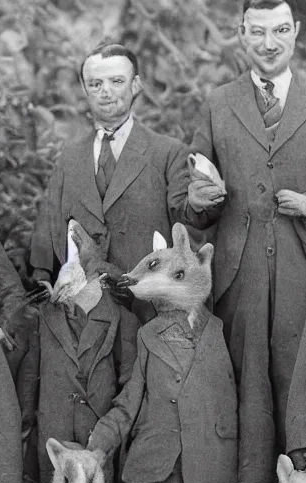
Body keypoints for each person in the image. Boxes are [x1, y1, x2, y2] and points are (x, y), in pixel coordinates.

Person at [179, 0, 306, 483]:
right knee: (245, 391)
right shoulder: (219, 103)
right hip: (238, 277)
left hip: (305, 274)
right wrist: (199, 198)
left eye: (280, 30)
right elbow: (192, 195)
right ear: (241, 34)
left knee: (300, 386)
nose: (269, 43)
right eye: (258, 31)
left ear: (296, 32)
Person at [29, 43, 186, 321]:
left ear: (135, 85)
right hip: (84, 311)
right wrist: (41, 273)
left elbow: (189, 227)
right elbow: (47, 222)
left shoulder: (167, 153)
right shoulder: (69, 158)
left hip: (145, 310)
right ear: (84, 88)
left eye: (116, 81)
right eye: (95, 83)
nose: (105, 91)